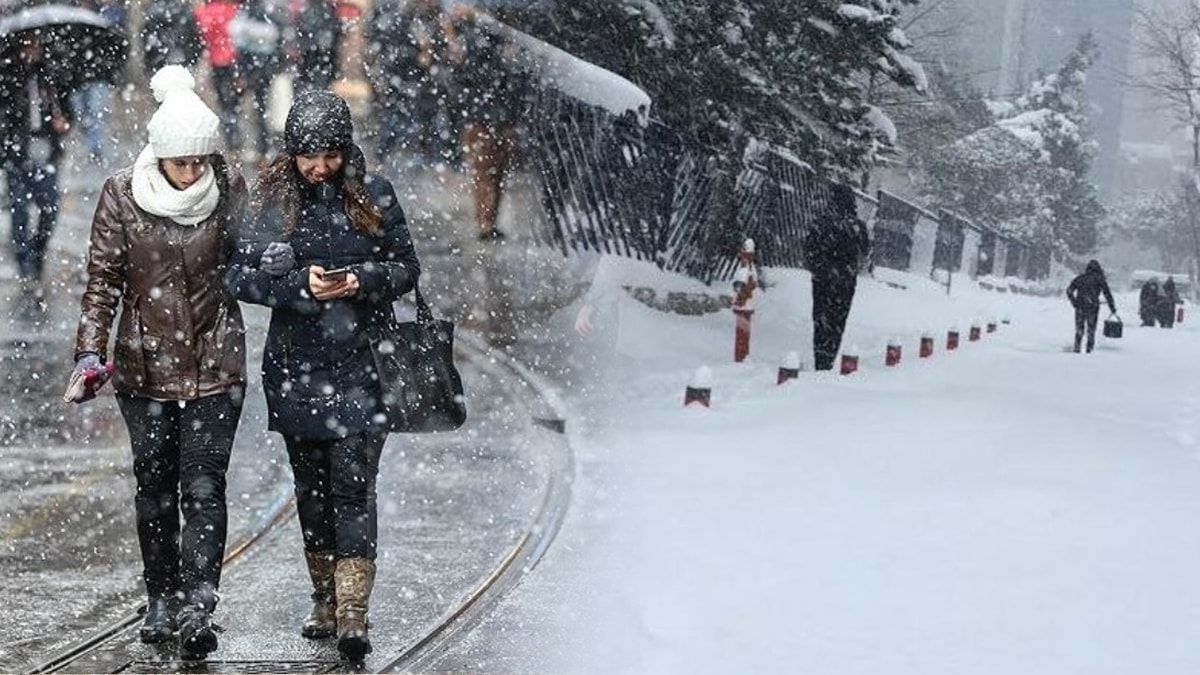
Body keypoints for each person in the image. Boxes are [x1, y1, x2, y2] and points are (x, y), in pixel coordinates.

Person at [226, 89, 420, 660]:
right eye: (309, 155)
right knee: (311, 492)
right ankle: (324, 597)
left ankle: (354, 610)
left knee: (353, 487)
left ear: (345, 149)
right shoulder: (268, 202)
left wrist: (360, 280)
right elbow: (237, 278)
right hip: (295, 369)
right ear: (292, 152)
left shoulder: (374, 193)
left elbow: (405, 268)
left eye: (330, 154)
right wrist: (295, 287)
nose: (320, 166)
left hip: (363, 363)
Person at [68, 65, 247, 659]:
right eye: (182, 162)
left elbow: (252, 261)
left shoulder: (230, 186)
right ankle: (161, 596)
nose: (193, 172)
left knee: (203, 485)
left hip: (217, 366)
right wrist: (90, 353)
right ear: (159, 155)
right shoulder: (123, 193)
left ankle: (199, 600)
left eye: (201, 161)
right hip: (143, 369)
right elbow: (103, 282)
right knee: (155, 487)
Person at [0, 32, 72, 313]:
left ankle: (37, 253)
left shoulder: (51, 76)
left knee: (49, 209)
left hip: (46, 153)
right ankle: (25, 267)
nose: (33, 49)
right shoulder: (7, 75)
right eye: (28, 44)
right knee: (19, 211)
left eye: (37, 44)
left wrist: (63, 122)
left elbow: (66, 110)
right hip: (17, 155)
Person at [446, 4, 527, 240]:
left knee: (491, 172)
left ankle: (487, 222)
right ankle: (486, 222)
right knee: (489, 172)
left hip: (488, 116)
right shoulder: (487, 45)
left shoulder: (481, 43)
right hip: (486, 117)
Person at [804, 183, 870, 371]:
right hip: (845, 282)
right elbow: (864, 252)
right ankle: (830, 357)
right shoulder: (857, 226)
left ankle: (820, 356)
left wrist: (819, 268)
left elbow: (809, 250)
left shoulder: (821, 222)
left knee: (820, 318)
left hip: (822, 280)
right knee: (838, 320)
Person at [194, 0, 243, 152]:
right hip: (234, 60)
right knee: (234, 101)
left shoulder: (204, 13)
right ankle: (235, 134)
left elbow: (203, 36)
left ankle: (230, 137)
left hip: (216, 61)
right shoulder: (233, 10)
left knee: (223, 101)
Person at [1066, 259, 1117, 353]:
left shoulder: (1080, 278)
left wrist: (1074, 302)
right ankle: (1089, 350)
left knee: (1079, 329)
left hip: (1080, 306)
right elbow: (1107, 294)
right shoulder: (1099, 279)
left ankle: (1077, 349)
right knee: (1091, 330)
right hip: (1093, 307)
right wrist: (1112, 307)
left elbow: (1069, 291)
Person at [142, 0, 205, 77]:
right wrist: (194, 57)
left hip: (160, 61)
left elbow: (148, 40)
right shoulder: (184, 11)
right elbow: (194, 37)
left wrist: (149, 61)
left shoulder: (153, 12)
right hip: (182, 60)